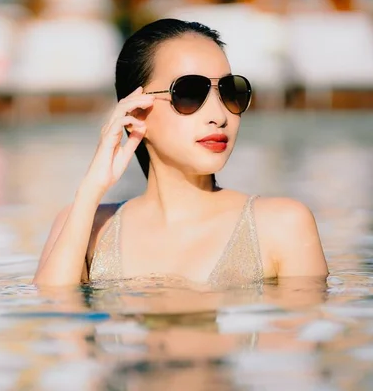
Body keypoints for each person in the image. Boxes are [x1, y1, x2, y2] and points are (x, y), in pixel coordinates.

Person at [33, 18, 329, 288]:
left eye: (229, 91)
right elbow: (57, 324)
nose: (219, 115)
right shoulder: (85, 224)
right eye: (189, 93)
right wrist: (90, 190)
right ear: (136, 110)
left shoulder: (281, 225)